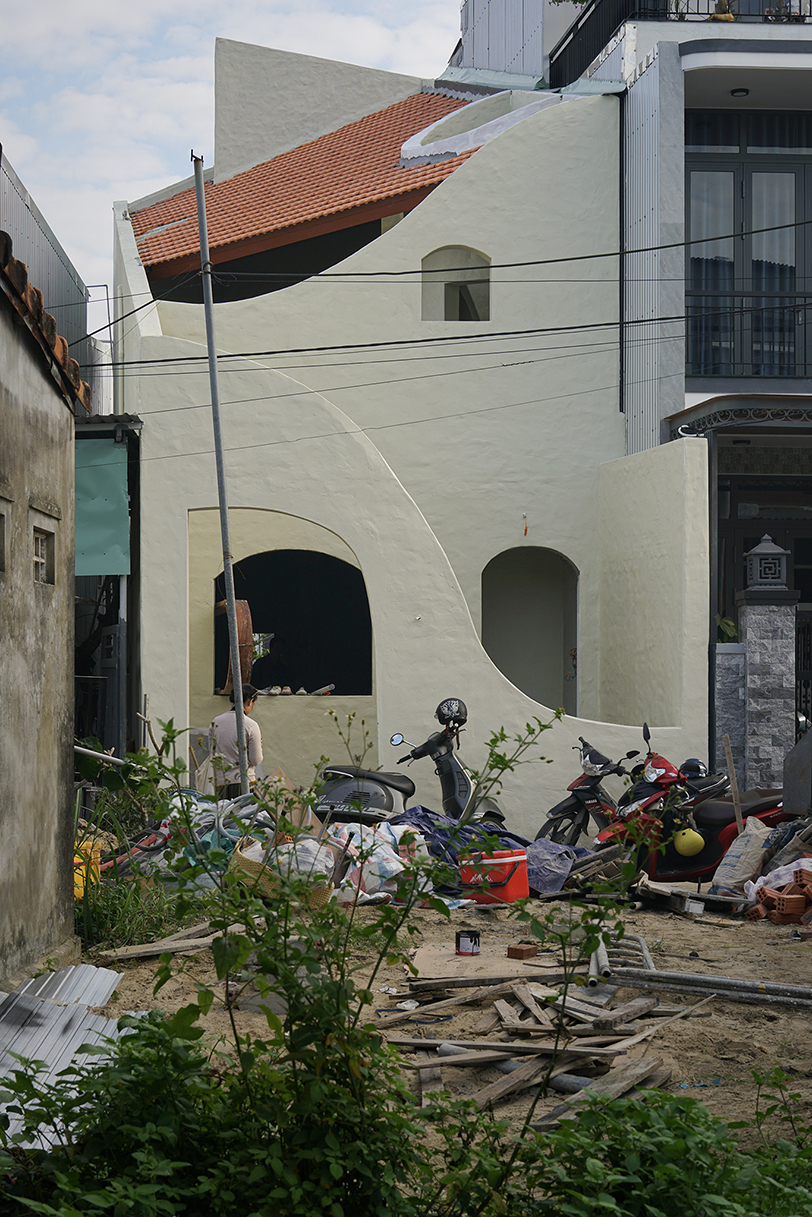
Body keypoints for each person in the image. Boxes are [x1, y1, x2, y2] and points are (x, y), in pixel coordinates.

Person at [208, 684, 263, 801]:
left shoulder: (216, 721)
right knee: (243, 817)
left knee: (224, 817)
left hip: (220, 782)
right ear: (250, 701)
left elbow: (212, 752)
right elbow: (256, 759)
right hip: (243, 782)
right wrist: (260, 748)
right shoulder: (251, 725)